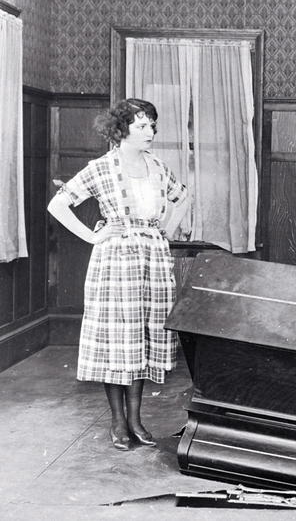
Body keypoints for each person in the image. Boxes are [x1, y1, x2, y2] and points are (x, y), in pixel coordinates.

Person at [47, 98, 189, 450]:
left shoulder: (157, 166)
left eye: (152, 125)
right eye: (142, 125)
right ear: (120, 129)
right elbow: (58, 205)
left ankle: (137, 420)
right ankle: (117, 423)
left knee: (141, 340)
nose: (150, 131)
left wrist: (166, 231)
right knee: (118, 343)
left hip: (153, 261)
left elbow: (183, 198)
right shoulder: (101, 168)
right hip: (115, 262)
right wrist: (94, 236)